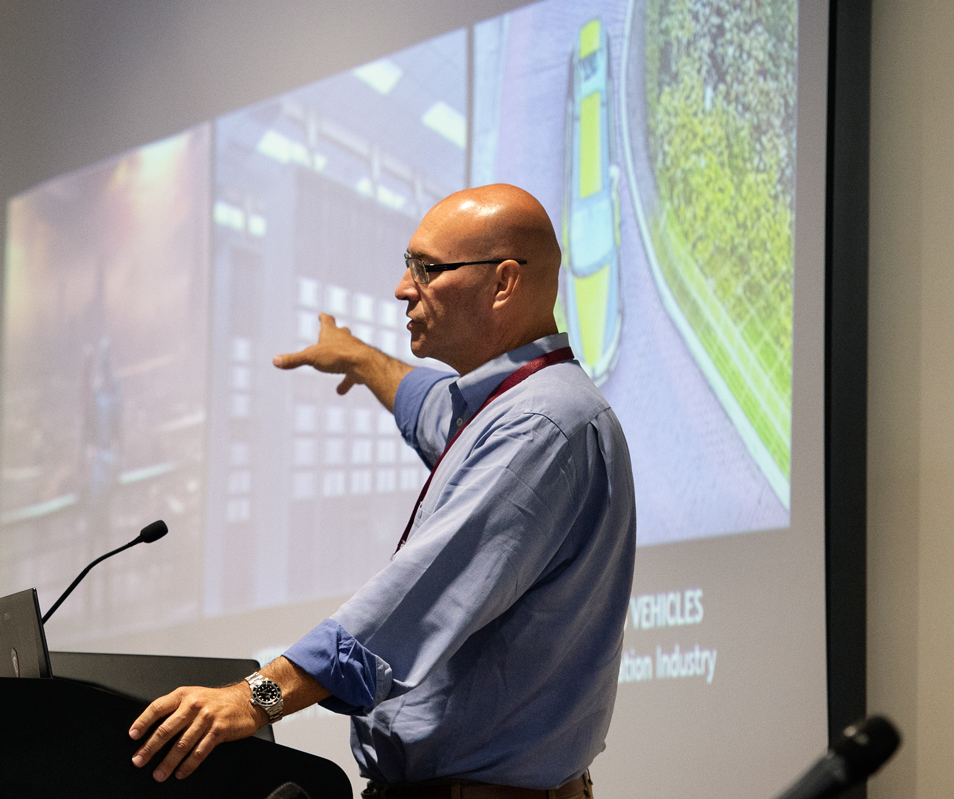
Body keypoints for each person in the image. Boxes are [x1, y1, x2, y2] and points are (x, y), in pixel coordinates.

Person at [128, 184, 636, 798]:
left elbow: (404, 613)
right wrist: (360, 359)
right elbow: (428, 407)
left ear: (504, 283)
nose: (403, 288)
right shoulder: (509, 405)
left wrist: (255, 699)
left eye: (428, 269)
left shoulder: (538, 428)